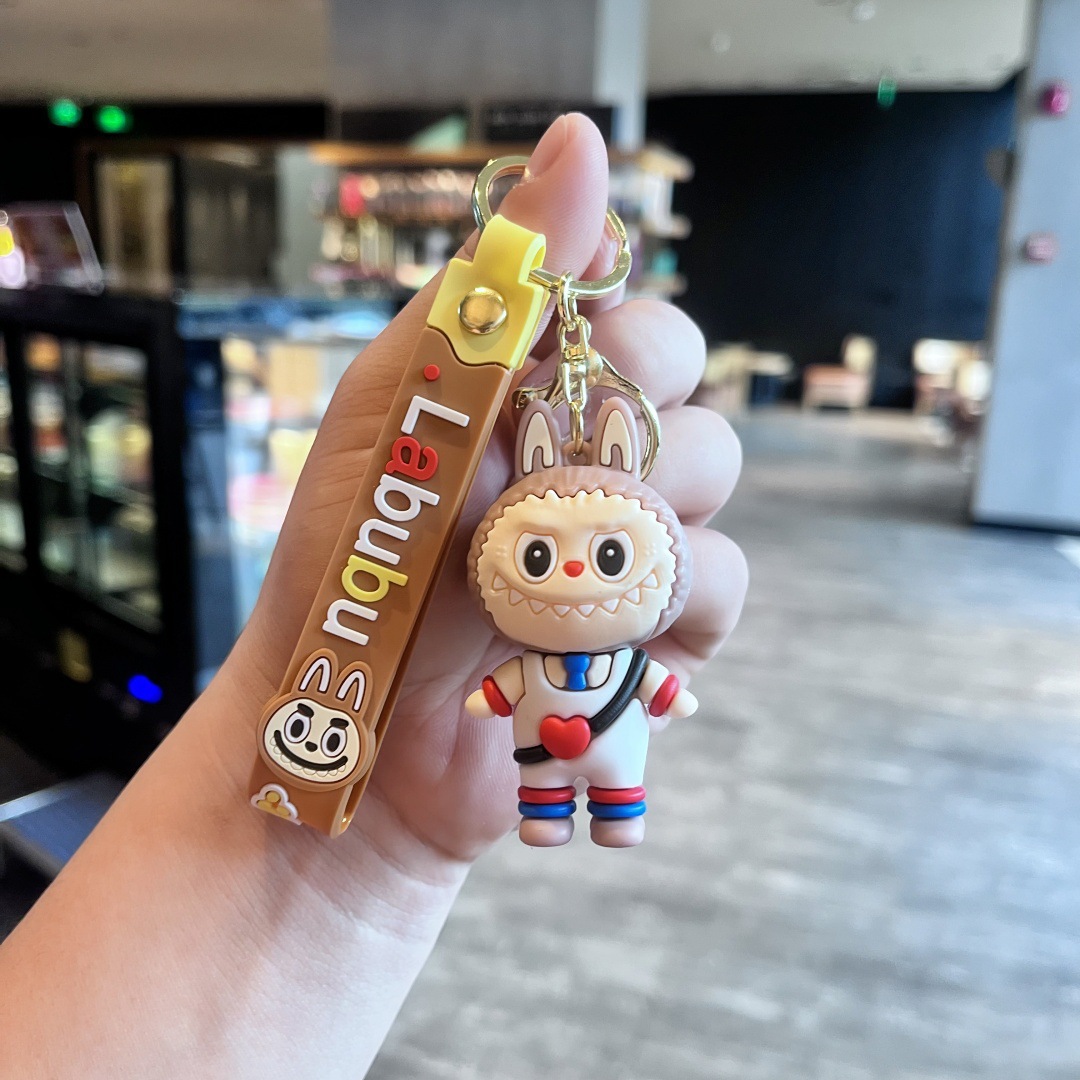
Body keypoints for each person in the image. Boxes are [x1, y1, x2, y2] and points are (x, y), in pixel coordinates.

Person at [0, 114, 747, 1078]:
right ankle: (567, 803)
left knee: (610, 778)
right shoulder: (474, 474)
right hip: (390, 744)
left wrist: (381, 833)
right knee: (559, 783)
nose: (570, 576)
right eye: (544, 558)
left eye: (606, 559)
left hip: (486, 749)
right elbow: (495, 690)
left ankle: (610, 803)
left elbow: (606, 688)